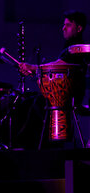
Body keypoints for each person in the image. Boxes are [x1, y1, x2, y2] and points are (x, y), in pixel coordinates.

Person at [18, 10, 88, 149]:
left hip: (69, 96)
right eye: (64, 25)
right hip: (63, 94)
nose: (63, 28)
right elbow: (58, 69)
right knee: (32, 101)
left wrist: (33, 67)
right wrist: (36, 72)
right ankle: (37, 146)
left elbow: (61, 65)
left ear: (79, 28)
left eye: (68, 25)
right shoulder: (69, 47)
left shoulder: (77, 48)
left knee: (34, 103)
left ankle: (31, 146)